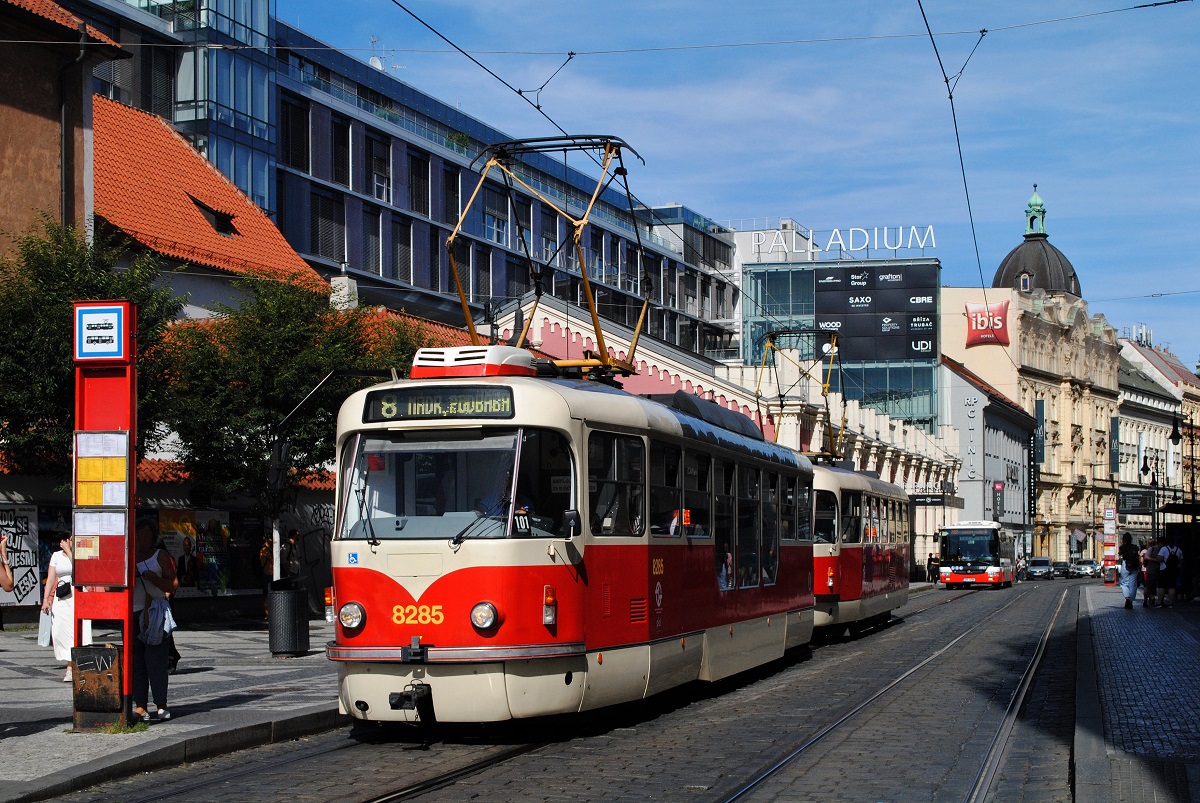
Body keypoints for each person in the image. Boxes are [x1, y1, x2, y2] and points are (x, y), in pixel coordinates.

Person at [133, 521, 178, 722]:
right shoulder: (129, 556)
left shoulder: (159, 556)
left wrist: (155, 579)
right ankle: (140, 706)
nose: (140, 540)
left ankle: (161, 704)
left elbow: (174, 584)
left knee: (156, 661)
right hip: (133, 612)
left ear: (152, 538)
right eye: (137, 536)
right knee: (137, 662)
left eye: (144, 536)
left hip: (155, 613)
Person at [42, 532, 80, 682]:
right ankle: (69, 662)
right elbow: (51, 579)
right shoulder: (56, 556)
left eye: (70, 539)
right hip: (62, 597)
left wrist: (70, 552)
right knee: (59, 632)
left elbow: (79, 571)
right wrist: (46, 599)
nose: (67, 542)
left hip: (76, 595)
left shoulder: (77, 555)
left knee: (74, 632)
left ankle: (71, 667)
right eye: (65, 539)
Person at [1155, 534, 1183, 609]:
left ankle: (1159, 602)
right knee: (1172, 586)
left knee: (1162, 586)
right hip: (1174, 570)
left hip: (1164, 569)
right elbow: (1181, 561)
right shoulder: (1178, 550)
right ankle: (1171, 603)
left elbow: (1159, 559)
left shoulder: (1164, 549)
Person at [1117, 532, 1140, 610]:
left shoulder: (1122, 547)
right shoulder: (1135, 547)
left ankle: (1127, 598)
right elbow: (1139, 556)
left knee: (1124, 582)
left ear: (1123, 539)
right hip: (1134, 566)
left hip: (1125, 564)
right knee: (1133, 584)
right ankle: (1131, 600)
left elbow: (1119, 554)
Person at [1140, 538, 1160, 608]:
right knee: (1153, 586)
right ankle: (1152, 597)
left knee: (1147, 586)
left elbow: (1141, 561)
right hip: (1153, 570)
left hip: (1145, 570)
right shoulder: (1156, 550)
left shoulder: (1144, 551)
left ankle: (1146, 599)